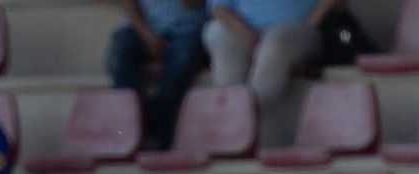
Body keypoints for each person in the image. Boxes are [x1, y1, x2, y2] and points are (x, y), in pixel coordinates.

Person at [106, 0, 207, 152]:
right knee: (119, 57)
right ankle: (130, 126)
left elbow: (192, 3)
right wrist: (147, 34)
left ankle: (158, 133)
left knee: (183, 60)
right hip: (141, 28)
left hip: (186, 30)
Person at [203, 0, 339, 112]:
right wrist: (248, 37)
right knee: (218, 33)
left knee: (276, 43)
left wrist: (311, 22)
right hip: (244, 29)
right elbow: (219, 7)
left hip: (296, 29)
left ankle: (250, 121)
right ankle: (229, 113)